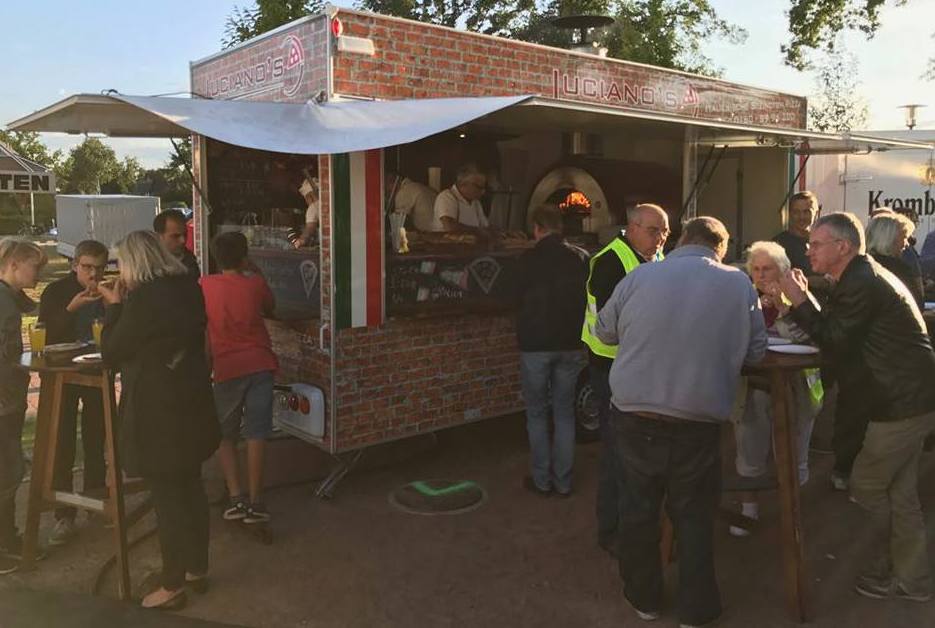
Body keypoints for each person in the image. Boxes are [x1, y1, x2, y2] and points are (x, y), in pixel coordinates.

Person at [596, 217, 767, 627]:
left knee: (637, 511)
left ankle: (644, 599)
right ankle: (697, 608)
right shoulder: (739, 284)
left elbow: (603, 333)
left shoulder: (640, 277)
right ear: (720, 249)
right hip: (697, 421)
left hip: (634, 415)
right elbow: (757, 352)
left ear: (682, 240)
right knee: (693, 515)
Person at [778, 212, 935, 602]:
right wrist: (807, 298)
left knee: (866, 488)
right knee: (901, 495)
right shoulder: (862, 276)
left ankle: (885, 568)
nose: (808, 251)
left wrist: (799, 300)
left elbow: (833, 340)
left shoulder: (862, 281)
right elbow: (841, 329)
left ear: (842, 248)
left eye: (816, 244)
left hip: (899, 404)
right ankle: (912, 579)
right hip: (910, 398)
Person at [98, 231, 220, 609]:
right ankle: (196, 569)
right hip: (193, 401)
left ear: (133, 262)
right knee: (191, 489)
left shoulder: (144, 300)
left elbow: (111, 352)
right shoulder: (187, 286)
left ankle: (171, 585)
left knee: (168, 497)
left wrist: (116, 305)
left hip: (160, 411)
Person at [581, 202, 668, 557]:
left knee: (640, 451)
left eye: (665, 231)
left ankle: (639, 522)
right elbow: (610, 322)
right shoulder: (609, 260)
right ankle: (611, 531)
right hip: (611, 368)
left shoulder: (657, 259)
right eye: (654, 230)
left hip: (642, 367)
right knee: (617, 451)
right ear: (631, 228)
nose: (661, 238)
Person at [729, 241, 822, 537]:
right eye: (755, 269)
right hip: (752, 388)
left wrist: (783, 309)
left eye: (767, 268)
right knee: (749, 450)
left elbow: (811, 339)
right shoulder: (743, 299)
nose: (760, 275)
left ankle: (793, 513)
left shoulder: (802, 300)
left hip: (796, 388)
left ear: (782, 270)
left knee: (795, 454)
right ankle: (748, 511)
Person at [201, 232, 278, 524]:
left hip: (226, 367)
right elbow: (271, 307)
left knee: (225, 434)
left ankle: (236, 497)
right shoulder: (255, 283)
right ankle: (258, 501)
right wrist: (255, 270)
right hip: (260, 363)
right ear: (245, 256)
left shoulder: (204, 285)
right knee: (257, 433)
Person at [38, 239, 108, 547]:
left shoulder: (106, 291)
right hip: (62, 374)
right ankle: (63, 514)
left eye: (99, 267)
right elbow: (44, 334)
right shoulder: (56, 292)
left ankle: (97, 502)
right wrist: (71, 308)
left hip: (96, 372)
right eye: (87, 267)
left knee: (96, 438)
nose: (93, 274)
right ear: (74, 265)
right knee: (62, 441)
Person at [514, 206, 587, 496]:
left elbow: (513, 297)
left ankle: (542, 481)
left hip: (534, 345)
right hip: (570, 343)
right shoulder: (581, 258)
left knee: (537, 413)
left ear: (536, 228)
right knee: (565, 413)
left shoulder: (526, 260)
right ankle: (564, 482)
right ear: (561, 228)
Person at [0, 239, 46, 575]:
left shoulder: (11, 299)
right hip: (4, 400)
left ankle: (9, 539)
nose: (39, 272)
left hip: (11, 397)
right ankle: (4, 545)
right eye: (35, 265)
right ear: (14, 263)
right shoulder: (3, 303)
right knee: (7, 471)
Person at [866, 210, 924, 308]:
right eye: (904, 237)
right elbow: (917, 304)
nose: (906, 244)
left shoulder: (858, 265)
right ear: (889, 239)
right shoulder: (900, 270)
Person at [434, 163, 492, 234]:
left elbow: (486, 226)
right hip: (450, 244)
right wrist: (477, 230)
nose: (483, 192)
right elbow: (449, 227)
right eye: (478, 187)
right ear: (463, 184)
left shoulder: (476, 202)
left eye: (484, 187)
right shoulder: (447, 197)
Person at [154, 209, 200, 278]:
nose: (183, 240)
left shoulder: (190, 261)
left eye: (185, 234)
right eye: (175, 236)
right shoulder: (148, 263)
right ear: (159, 236)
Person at [293, 176, 319, 248]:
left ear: (309, 196)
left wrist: (300, 241)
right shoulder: (327, 204)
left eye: (305, 197)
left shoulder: (313, 208)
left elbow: (310, 228)